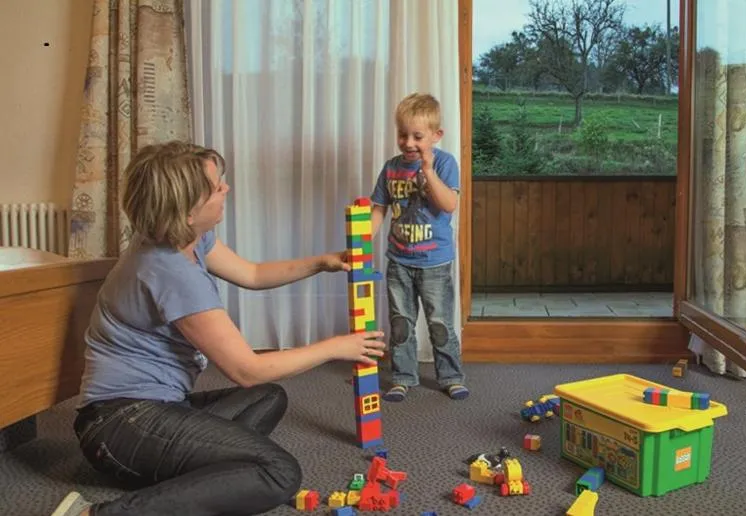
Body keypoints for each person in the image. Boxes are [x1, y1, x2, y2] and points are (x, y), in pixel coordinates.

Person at [50, 141, 385, 516]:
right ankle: (97, 513)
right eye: (216, 186)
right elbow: (246, 369)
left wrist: (322, 262)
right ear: (187, 211)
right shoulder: (168, 271)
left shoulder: (188, 239)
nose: (225, 188)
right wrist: (338, 346)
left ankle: (187, 484)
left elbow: (253, 274)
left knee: (268, 397)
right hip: (119, 425)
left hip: (155, 407)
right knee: (278, 472)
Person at [369, 92, 468, 403]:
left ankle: (451, 376)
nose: (408, 142)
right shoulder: (390, 168)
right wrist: (361, 241)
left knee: (439, 323)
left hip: (435, 263)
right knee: (401, 322)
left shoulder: (445, 163)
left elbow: (448, 204)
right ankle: (402, 376)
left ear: (436, 136)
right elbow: (378, 208)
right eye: (402, 135)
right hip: (399, 260)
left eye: (417, 136)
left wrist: (428, 170)